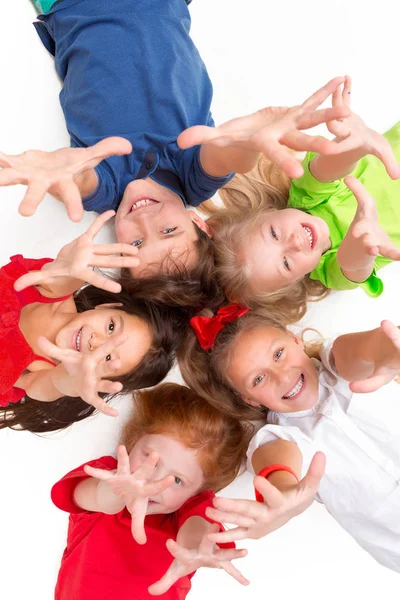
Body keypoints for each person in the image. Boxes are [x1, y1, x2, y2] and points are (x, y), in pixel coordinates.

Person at [0, 1, 351, 279]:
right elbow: (226, 154)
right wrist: (249, 140)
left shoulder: (106, 191)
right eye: (169, 230)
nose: (145, 221)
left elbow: (79, 178)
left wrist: (57, 172)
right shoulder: (193, 180)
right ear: (199, 223)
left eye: (136, 242)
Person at [178, 305, 400, 572]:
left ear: (294, 339)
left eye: (279, 354)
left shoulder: (338, 363)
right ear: (248, 399)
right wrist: (283, 497)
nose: (282, 376)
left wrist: (386, 349)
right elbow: (277, 466)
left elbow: (366, 350)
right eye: (258, 379)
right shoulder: (277, 438)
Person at [202, 79, 400, 322]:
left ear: (268, 212)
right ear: (296, 280)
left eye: (274, 234)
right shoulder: (330, 267)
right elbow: (353, 267)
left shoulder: (306, 197)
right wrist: (361, 249)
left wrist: (354, 145)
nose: (294, 242)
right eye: (286, 263)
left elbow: (326, 169)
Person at [0, 212, 201, 433]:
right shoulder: (55, 291)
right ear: (108, 306)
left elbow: (48, 385)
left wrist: (68, 384)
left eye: (106, 357)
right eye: (111, 327)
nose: (96, 342)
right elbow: (65, 277)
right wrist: (69, 266)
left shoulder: (44, 371)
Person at [51, 382, 251, 599]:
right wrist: (118, 490)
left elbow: (198, 531)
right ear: (133, 440)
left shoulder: (190, 509)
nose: (155, 480)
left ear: (197, 491)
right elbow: (88, 496)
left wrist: (194, 548)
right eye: (151, 460)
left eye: (176, 480)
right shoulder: (108, 473)